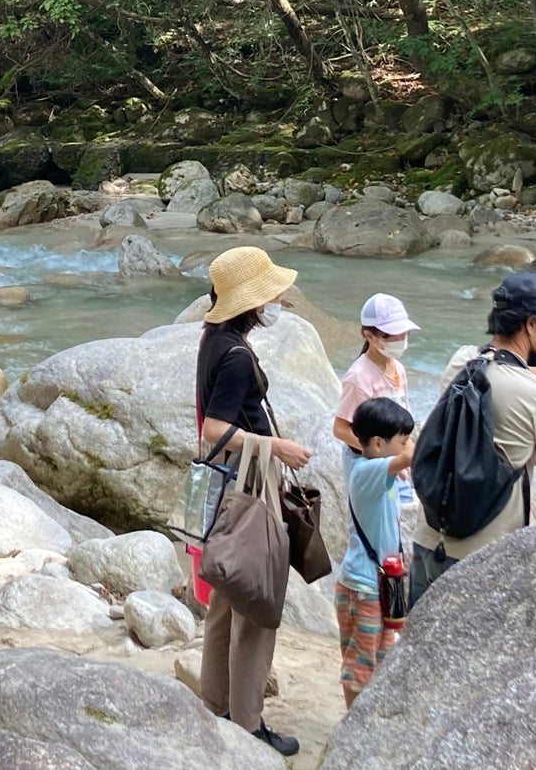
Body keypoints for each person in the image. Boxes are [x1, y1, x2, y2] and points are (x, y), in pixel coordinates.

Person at [408, 272, 536, 605]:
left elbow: (504, 366)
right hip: (482, 559)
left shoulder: (460, 364)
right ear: (532, 324)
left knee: (416, 650)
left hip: (427, 544)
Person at [195, 246, 313, 758]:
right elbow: (215, 430)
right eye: (270, 290)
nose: (279, 296)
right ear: (252, 300)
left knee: (225, 595)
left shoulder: (214, 338)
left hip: (225, 485)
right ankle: (247, 723)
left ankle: (215, 704)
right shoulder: (239, 355)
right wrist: (277, 448)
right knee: (257, 602)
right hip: (247, 485)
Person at [337, 396, 415, 707]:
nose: (408, 445)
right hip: (363, 587)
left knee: (380, 657)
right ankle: (352, 728)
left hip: (380, 583)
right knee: (361, 664)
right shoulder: (367, 473)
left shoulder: (375, 466)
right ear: (379, 444)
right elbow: (408, 458)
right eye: (404, 440)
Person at [333, 293, 417, 452]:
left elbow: (403, 426)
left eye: (404, 332)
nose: (400, 339)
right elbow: (341, 429)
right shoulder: (359, 376)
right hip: (370, 462)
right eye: (390, 335)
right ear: (369, 336)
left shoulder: (398, 368)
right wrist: (379, 454)